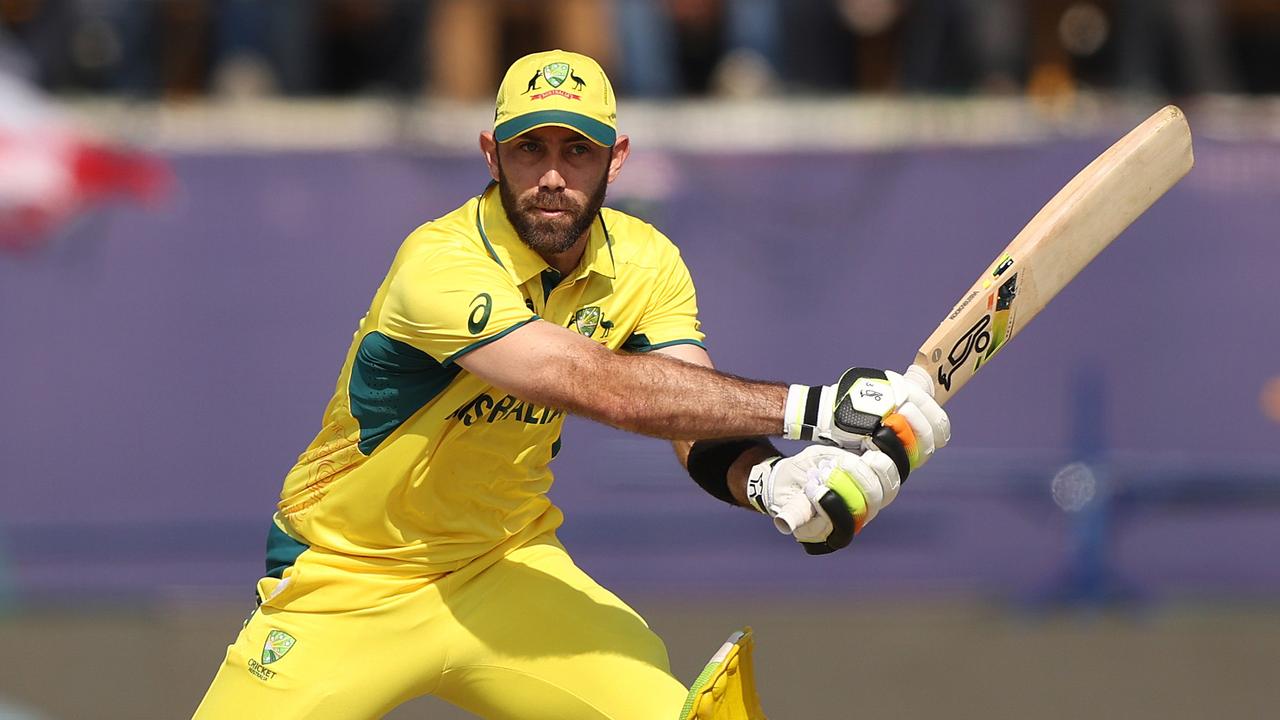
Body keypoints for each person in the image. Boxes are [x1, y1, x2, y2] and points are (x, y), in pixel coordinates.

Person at [192, 49, 950, 720]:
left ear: (616, 158)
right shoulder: (438, 263)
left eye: (576, 151)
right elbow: (592, 383)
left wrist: (773, 479)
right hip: (348, 579)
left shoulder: (647, 263)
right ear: (491, 153)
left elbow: (688, 408)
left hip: (504, 566)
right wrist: (819, 410)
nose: (552, 176)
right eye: (530, 149)